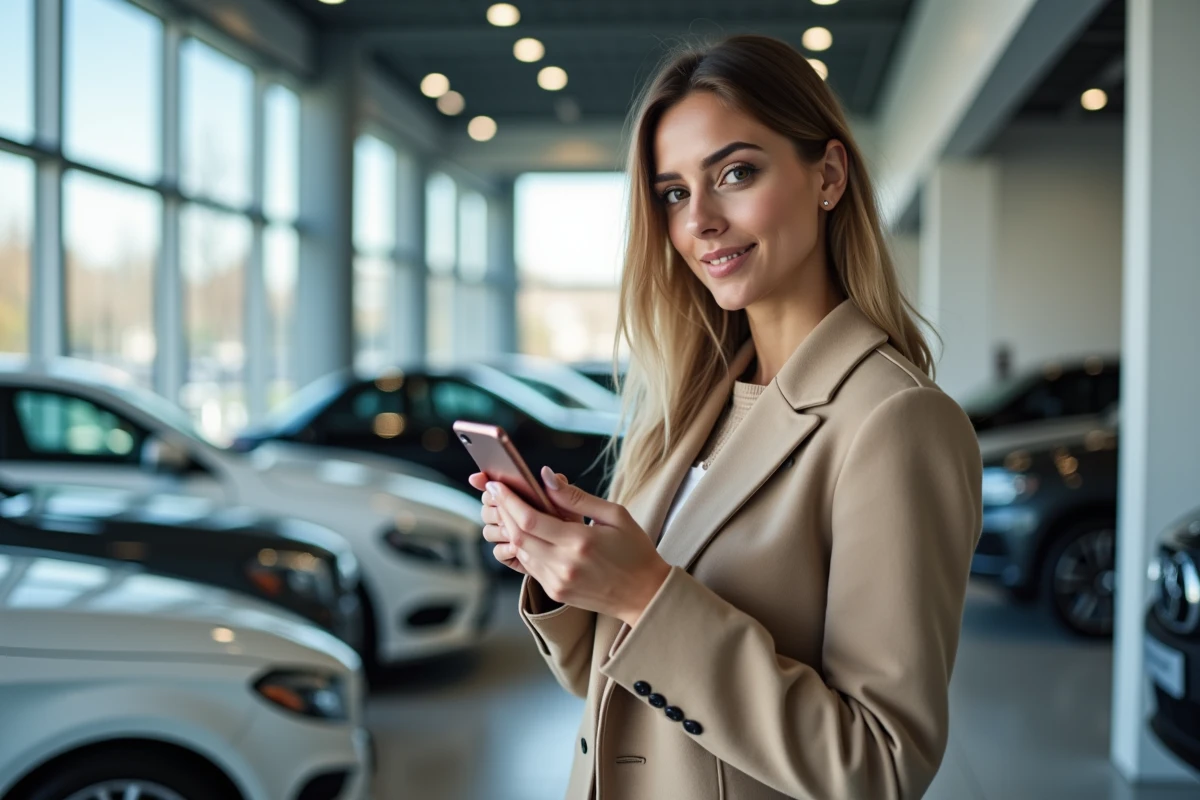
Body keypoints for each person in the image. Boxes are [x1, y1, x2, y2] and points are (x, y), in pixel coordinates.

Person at [469, 34, 982, 800]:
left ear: (828, 176)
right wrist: (566, 573)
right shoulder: (694, 405)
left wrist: (645, 593)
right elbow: (610, 683)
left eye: (735, 173)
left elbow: (878, 765)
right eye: (674, 193)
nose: (700, 220)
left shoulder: (895, 421)